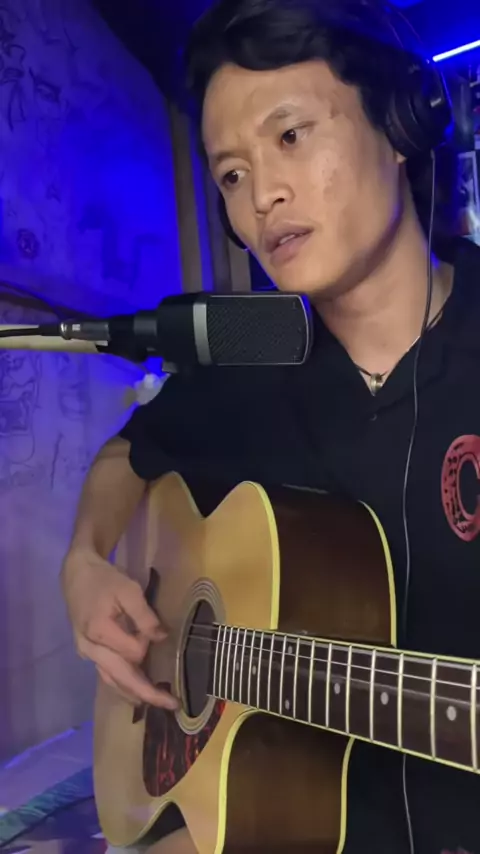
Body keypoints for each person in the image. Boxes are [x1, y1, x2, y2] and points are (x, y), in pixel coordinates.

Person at [61, 0, 480, 851]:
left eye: (289, 136)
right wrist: (83, 561)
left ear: (400, 123)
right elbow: (128, 453)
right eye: (231, 175)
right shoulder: (246, 355)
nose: (262, 197)